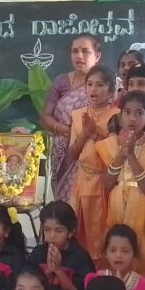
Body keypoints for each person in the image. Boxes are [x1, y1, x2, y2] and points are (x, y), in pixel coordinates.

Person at [97, 90, 145, 283]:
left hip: (143, 207)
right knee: (116, 251)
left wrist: (130, 155)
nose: (132, 118)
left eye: (139, 113)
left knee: (144, 254)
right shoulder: (108, 144)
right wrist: (121, 153)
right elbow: (107, 184)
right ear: (120, 115)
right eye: (127, 112)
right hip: (117, 206)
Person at [21, 200, 93, 290]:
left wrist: (59, 271)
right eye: (47, 230)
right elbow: (27, 289)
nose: (52, 236)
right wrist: (47, 273)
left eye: (58, 231)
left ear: (70, 232)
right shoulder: (38, 253)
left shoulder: (80, 257)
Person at [66, 65, 118, 260]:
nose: (93, 89)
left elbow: (114, 156)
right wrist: (84, 134)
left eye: (100, 85)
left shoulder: (117, 115)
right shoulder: (78, 115)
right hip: (82, 180)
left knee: (102, 235)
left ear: (111, 90)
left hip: (105, 182)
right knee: (78, 233)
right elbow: (72, 155)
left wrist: (94, 134)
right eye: (90, 84)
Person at [42, 35, 103, 201]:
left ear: (97, 56)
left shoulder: (107, 82)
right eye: (75, 51)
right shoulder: (61, 82)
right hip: (64, 151)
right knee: (65, 203)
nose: (79, 56)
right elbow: (45, 116)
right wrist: (63, 130)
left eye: (85, 51)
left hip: (94, 150)